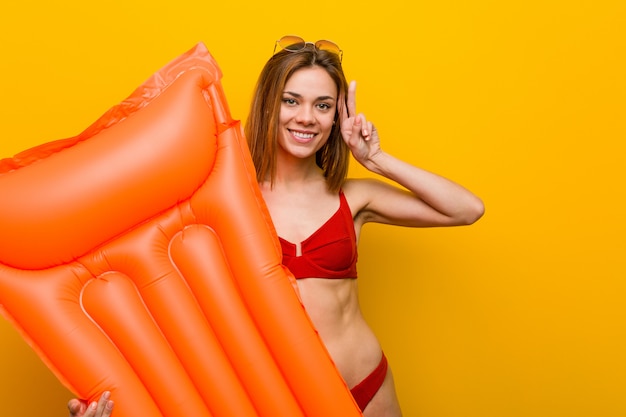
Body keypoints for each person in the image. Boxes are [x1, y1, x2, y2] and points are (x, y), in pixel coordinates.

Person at [68, 35, 484, 417]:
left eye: (323, 106)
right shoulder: (224, 201)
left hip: (366, 387)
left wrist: (376, 159)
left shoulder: (353, 198)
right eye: (292, 101)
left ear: (337, 117)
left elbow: (466, 209)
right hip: (279, 400)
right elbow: (152, 301)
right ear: (269, 104)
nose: (307, 118)